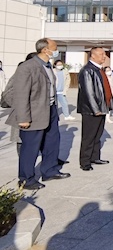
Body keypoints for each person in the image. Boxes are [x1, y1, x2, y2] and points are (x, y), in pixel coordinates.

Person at [6, 38, 70, 189]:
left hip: (50, 109)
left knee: (51, 143)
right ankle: (26, 179)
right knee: (30, 148)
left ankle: (50, 171)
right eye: (54, 47)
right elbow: (21, 94)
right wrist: (23, 118)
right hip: (34, 113)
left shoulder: (48, 66)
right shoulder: (27, 67)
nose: (57, 50)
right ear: (45, 50)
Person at [78, 47, 112, 171]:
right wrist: (95, 109)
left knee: (97, 135)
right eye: (101, 54)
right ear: (92, 56)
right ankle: (85, 162)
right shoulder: (87, 70)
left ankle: (95, 157)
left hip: (101, 107)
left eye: (104, 54)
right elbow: (88, 92)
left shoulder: (99, 69)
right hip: (91, 110)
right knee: (89, 136)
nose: (104, 56)